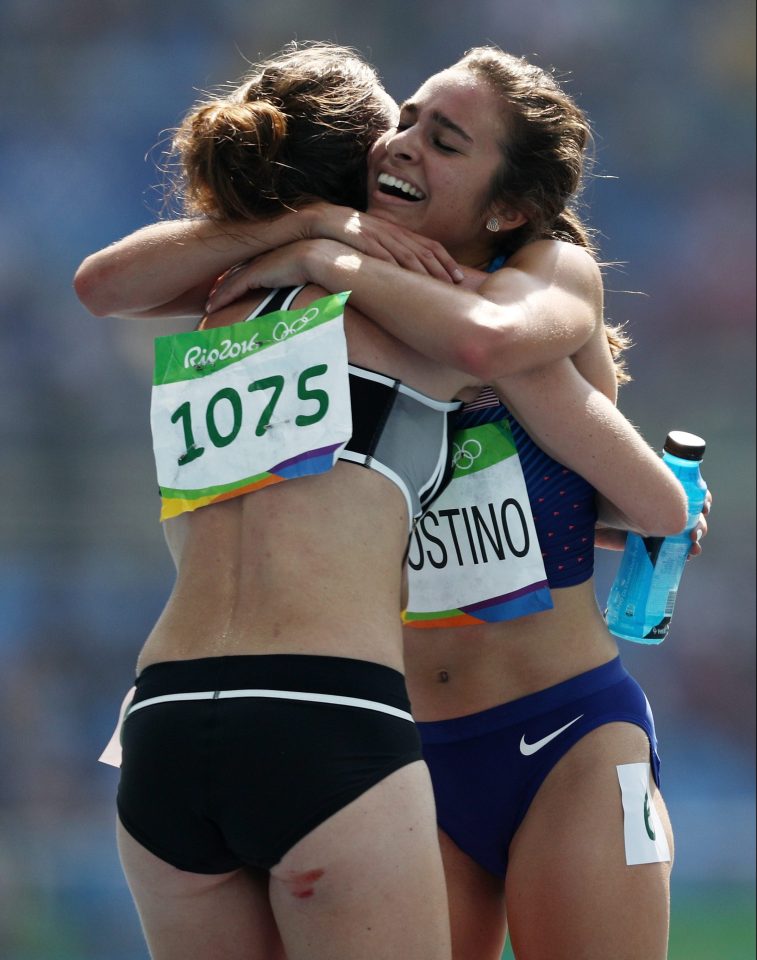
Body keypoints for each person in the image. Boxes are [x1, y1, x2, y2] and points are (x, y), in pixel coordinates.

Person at [77, 44, 707, 960]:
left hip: (557, 724)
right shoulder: (313, 293)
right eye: (401, 120)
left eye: (442, 139)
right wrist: (313, 228)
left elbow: (529, 387)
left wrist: (328, 259)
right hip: (387, 732)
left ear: (507, 206)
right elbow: (104, 286)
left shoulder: (536, 276)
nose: (401, 144)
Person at [80, 42, 494, 960]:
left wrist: (302, 231)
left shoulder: (220, 300)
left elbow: (99, 286)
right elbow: (507, 348)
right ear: (364, 169)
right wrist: (324, 231)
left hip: (165, 723)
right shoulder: (412, 301)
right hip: (323, 715)